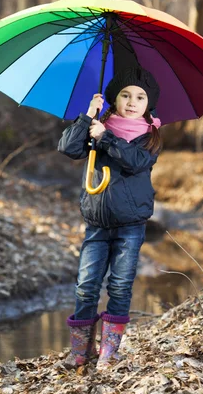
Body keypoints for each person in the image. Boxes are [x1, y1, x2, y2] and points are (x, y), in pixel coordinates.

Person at [57, 66, 162, 370]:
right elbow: (68, 148)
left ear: (148, 104)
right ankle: (81, 350)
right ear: (114, 99)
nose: (131, 101)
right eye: (125, 95)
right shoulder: (99, 125)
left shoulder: (150, 137)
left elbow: (135, 162)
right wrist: (88, 115)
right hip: (97, 222)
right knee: (86, 284)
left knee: (119, 284)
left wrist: (106, 140)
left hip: (131, 225)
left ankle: (109, 352)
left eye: (139, 97)